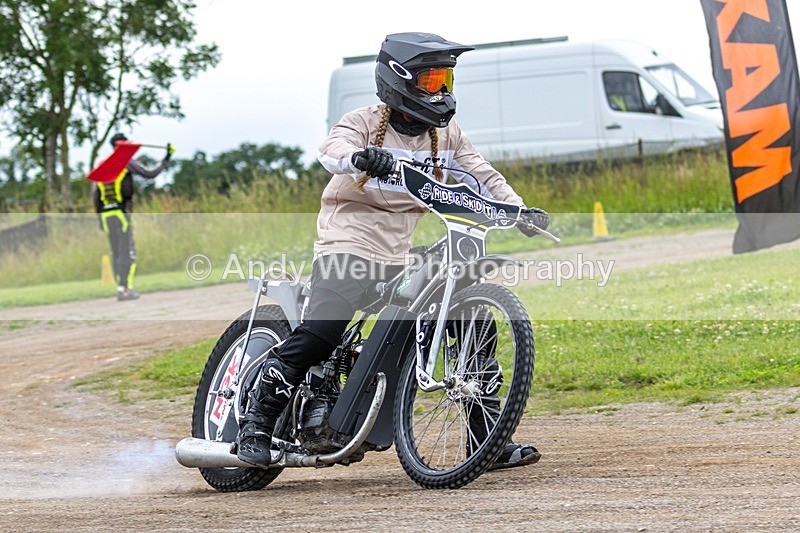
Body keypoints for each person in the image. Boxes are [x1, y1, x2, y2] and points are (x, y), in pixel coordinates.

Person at [236, 32, 550, 470]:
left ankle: (487, 441)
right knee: (323, 331)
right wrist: (361, 158)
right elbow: (331, 150)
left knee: (471, 321)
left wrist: (518, 211)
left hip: (397, 255)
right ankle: (256, 423)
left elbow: (483, 176)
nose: (440, 90)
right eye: (430, 80)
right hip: (347, 244)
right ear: (399, 79)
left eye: (445, 80)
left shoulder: (447, 135)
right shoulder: (364, 122)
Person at [93, 133, 174, 301]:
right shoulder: (126, 163)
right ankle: (124, 290)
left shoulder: (103, 165)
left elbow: (96, 196)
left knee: (116, 252)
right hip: (121, 214)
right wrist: (167, 157)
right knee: (127, 252)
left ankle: (120, 287)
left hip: (106, 216)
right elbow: (150, 174)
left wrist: (99, 219)